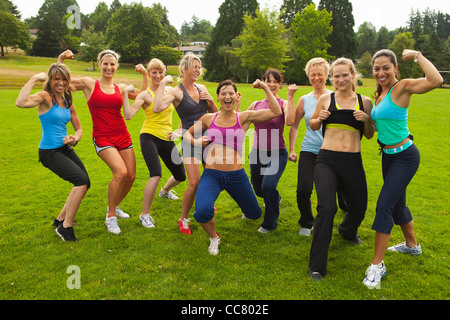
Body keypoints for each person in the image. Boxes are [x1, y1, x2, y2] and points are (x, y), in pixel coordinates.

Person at [362, 49, 443, 289]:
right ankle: (412, 245)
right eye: (376, 68)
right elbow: (379, 128)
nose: (381, 72)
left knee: (384, 205)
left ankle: (377, 265)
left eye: (386, 67)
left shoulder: (403, 87)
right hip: (388, 157)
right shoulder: (380, 94)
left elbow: (436, 80)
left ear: (396, 68)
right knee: (398, 203)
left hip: (405, 157)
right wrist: (366, 119)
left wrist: (417, 55)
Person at [183, 79, 283, 255]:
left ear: (236, 97)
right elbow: (187, 134)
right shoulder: (208, 118)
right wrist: (196, 142)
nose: (227, 96)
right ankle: (214, 237)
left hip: (236, 176)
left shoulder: (244, 117)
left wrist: (265, 87)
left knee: (254, 214)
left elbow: (276, 111)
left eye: (231, 93)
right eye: (224, 93)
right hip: (212, 175)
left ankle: (246, 208)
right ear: (218, 97)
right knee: (202, 212)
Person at [57, 49, 148, 235]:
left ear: (117, 66)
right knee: (120, 172)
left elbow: (143, 95)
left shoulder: (120, 88)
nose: (109, 67)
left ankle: (113, 206)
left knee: (131, 176)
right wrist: (61, 59)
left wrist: (145, 74)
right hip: (103, 137)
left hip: (122, 134)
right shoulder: (90, 84)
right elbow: (62, 81)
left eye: (112, 64)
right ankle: (111, 216)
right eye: (105, 63)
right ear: (99, 65)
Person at [308, 58, 375, 281]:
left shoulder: (364, 102)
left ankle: (347, 231)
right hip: (327, 159)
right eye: (336, 76)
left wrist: (366, 120)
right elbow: (313, 124)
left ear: (353, 75)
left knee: (359, 208)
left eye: (344, 75)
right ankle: (317, 266)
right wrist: (319, 118)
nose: (340, 79)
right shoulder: (327, 99)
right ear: (332, 78)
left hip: (353, 160)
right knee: (326, 208)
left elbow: (368, 134)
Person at [15, 63, 90, 241]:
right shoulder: (45, 97)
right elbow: (20, 102)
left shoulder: (68, 102)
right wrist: (33, 79)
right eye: (57, 79)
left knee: (85, 182)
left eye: (64, 79)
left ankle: (60, 220)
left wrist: (75, 139)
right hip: (49, 152)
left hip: (64, 149)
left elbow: (78, 129)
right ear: (51, 80)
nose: (61, 83)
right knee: (80, 181)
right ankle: (66, 227)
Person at [153, 55, 218, 235]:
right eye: (194, 67)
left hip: (208, 139)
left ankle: (205, 206)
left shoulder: (202, 88)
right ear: (185, 69)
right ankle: (183, 218)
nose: (198, 70)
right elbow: (157, 107)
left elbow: (215, 114)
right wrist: (162, 85)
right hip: (189, 140)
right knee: (194, 182)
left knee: (211, 177)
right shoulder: (176, 92)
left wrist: (211, 100)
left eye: (199, 67)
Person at [122, 58, 186, 229]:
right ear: (149, 74)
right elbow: (128, 115)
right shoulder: (144, 95)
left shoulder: (171, 91)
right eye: (154, 72)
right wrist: (124, 95)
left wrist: (178, 132)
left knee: (181, 175)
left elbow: (184, 114)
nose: (158, 76)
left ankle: (164, 192)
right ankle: (145, 214)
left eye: (160, 72)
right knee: (155, 174)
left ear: (163, 73)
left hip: (167, 138)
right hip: (149, 136)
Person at [288, 58, 347, 237]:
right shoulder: (304, 100)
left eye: (320, 74)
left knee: (339, 188)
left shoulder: (335, 97)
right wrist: (292, 149)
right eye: (312, 74)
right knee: (303, 189)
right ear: (308, 76)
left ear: (327, 75)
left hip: (333, 151)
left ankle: (346, 210)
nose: (316, 77)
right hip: (310, 150)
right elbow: (295, 125)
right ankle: (307, 222)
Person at [247, 69, 295, 233]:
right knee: (259, 190)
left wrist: (290, 97)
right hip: (257, 152)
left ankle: (269, 223)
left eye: (275, 81)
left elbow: (289, 121)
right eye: (268, 81)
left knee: (268, 186)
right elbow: (241, 120)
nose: (272, 84)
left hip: (277, 152)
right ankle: (276, 198)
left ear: (280, 84)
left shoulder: (283, 104)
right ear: (263, 82)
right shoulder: (256, 105)